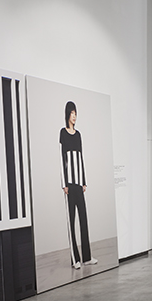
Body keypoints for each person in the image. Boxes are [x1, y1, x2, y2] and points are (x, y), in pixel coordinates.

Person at [60, 101, 97, 270]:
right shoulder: (62, 133)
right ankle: (75, 259)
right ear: (67, 114)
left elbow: (81, 159)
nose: (74, 116)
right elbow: (61, 158)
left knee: (83, 219)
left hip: (79, 185)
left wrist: (84, 181)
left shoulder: (78, 135)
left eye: (76, 113)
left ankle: (87, 257)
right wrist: (64, 184)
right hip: (69, 185)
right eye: (72, 113)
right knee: (71, 222)